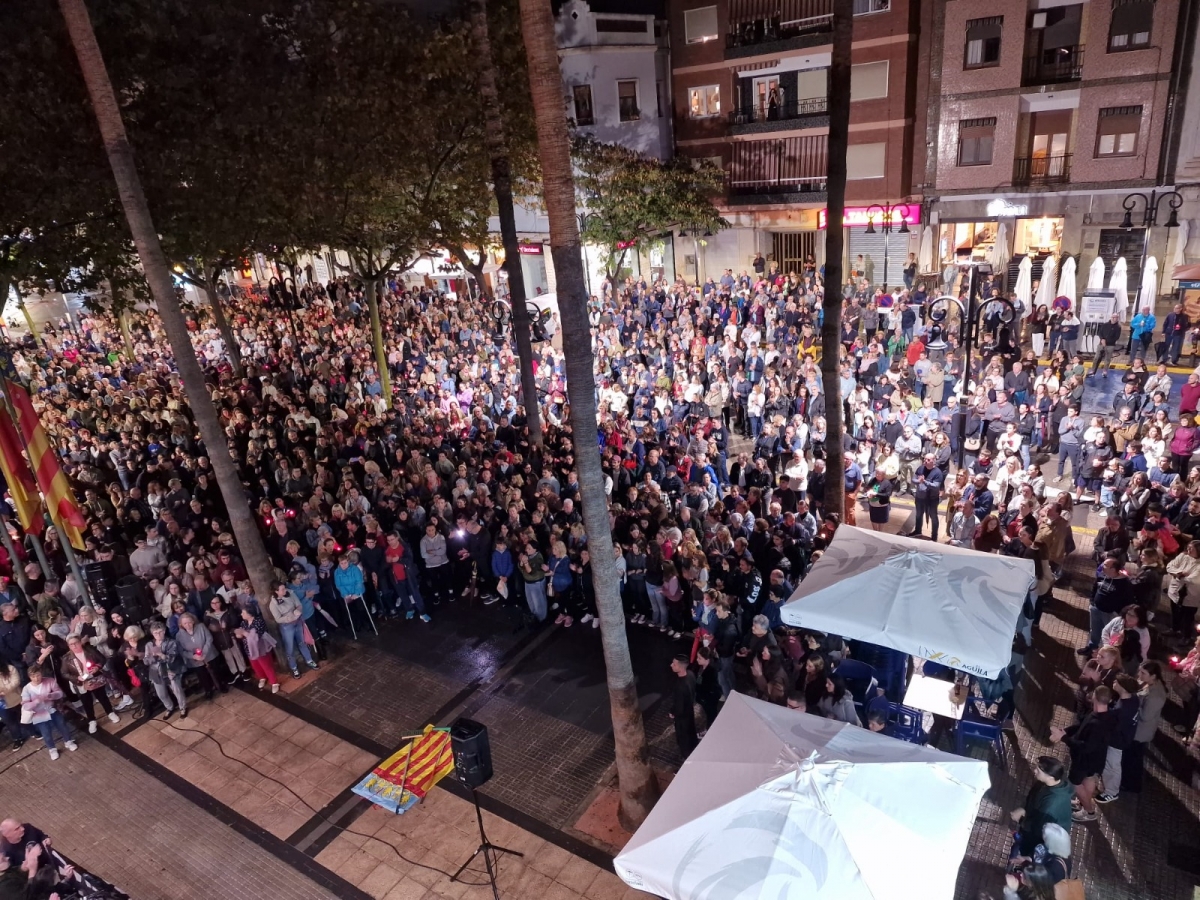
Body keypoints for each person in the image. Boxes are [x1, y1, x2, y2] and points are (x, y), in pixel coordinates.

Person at [1050, 684, 1115, 823]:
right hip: (1095, 760)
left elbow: (1085, 747)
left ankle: (1089, 811)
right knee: (1089, 779)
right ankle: (1083, 803)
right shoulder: (1104, 715)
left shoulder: (1097, 723)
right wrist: (1066, 731)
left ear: (1094, 698)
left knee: (1074, 784)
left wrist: (1064, 738)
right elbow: (1082, 727)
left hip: (1084, 761)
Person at [1010, 755, 1074, 859]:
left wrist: (1021, 819)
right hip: (1037, 824)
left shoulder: (1051, 805)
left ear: (1050, 776)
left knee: (1025, 854)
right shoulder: (1052, 783)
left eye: (1038, 770)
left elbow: (1038, 829)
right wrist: (1025, 809)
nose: (1034, 771)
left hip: (1039, 840)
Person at [59, 634, 121, 735]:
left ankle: (110, 712)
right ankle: (92, 720)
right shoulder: (67, 658)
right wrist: (77, 678)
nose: (74, 646)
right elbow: (64, 673)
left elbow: (102, 659)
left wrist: (97, 667)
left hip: (94, 677)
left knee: (102, 697)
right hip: (81, 682)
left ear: (80, 642)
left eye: (76, 643)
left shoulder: (89, 650)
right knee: (86, 702)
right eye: (71, 644)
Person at [19, 666, 77, 759]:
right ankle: (52, 749)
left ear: (41, 673)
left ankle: (68, 741)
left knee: (62, 726)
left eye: (38, 675)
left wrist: (50, 695)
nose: (36, 678)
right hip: (39, 714)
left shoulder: (50, 681)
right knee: (46, 733)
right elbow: (25, 705)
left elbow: (59, 693)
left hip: (52, 709)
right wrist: (35, 702)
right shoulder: (27, 689)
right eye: (33, 676)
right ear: (30, 677)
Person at [268, 580, 318, 679]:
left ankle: (309, 660)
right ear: (276, 591)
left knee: (302, 642)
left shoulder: (290, 593)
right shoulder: (273, 604)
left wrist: (298, 611)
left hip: (298, 622)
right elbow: (278, 619)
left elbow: (299, 604)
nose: (284, 590)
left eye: (284, 588)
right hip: (287, 627)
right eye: (282, 589)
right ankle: (294, 667)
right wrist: (290, 617)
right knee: (290, 648)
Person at [143, 621, 188, 719]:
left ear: (164, 631)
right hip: (156, 671)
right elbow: (146, 661)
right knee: (161, 694)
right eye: (155, 633)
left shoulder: (172, 642)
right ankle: (170, 707)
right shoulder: (149, 645)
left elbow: (172, 658)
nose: (158, 635)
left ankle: (183, 707)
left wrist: (161, 655)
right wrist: (153, 657)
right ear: (152, 634)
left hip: (170, 670)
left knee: (177, 691)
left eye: (160, 632)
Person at [236, 604, 279, 692]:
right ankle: (262, 677)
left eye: (243, 613)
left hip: (260, 648)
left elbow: (255, 637)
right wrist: (242, 633)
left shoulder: (259, 621)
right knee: (255, 665)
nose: (241, 614)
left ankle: (274, 682)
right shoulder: (244, 622)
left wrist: (244, 633)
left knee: (266, 665)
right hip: (249, 648)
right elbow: (239, 632)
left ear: (250, 613)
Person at [669, 654, 699, 760]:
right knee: (691, 735)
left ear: (681, 667)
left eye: (674, 664)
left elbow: (679, 707)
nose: (671, 665)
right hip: (689, 712)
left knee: (683, 740)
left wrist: (672, 712)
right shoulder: (690, 675)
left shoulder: (680, 686)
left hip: (682, 718)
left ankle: (687, 760)